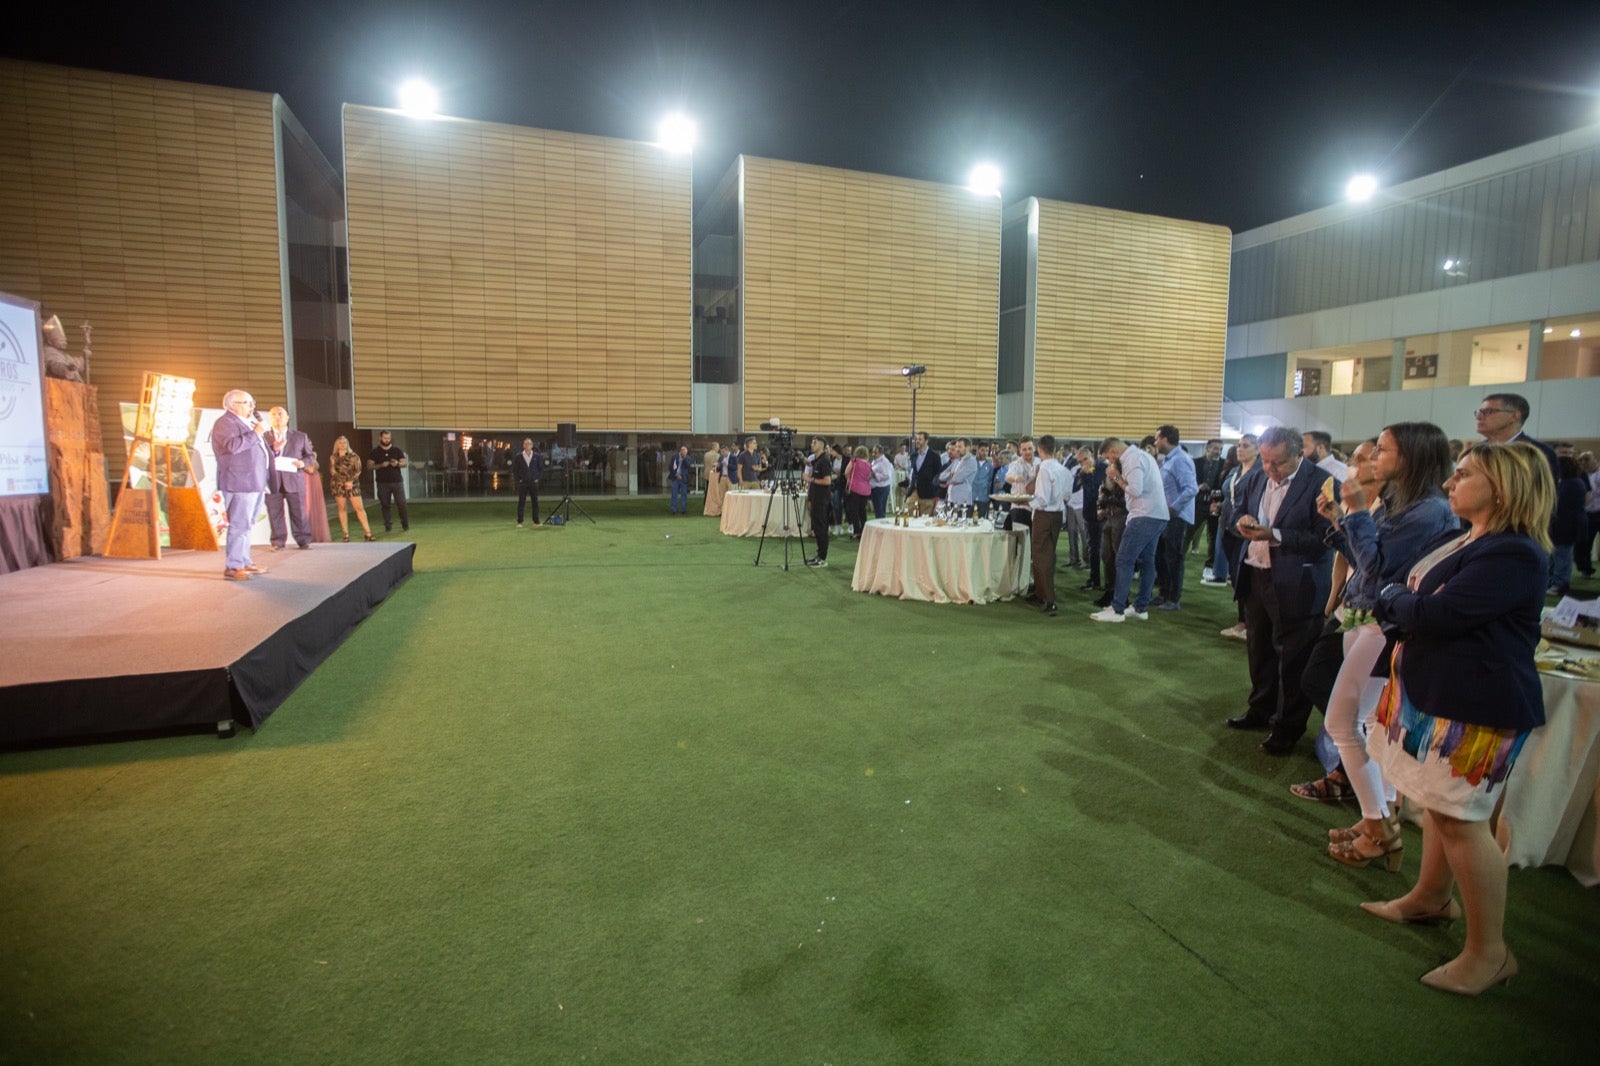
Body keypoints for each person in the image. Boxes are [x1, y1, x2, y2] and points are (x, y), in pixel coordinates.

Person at [1361, 441, 1553, 996]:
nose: (1450, 483)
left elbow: (1437, 612)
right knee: (1442, 812)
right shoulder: (1471, 537)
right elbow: (1408, 592)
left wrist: (1394, 598)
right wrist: (1400, 597)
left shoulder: (1514, 552)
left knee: (1462, 821)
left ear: (1503, 486)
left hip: (1478, 704)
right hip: (1443, 693)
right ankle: (1429, 898)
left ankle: (1489, 952)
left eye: (1464, 474)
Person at [1312, 425, 1459, 852]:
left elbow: (1377, 567)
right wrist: (1341, 521)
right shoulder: (1402, 502)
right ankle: (1380, 815)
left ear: (1409, 457)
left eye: (1382, 449)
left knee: (1342, 721)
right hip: (1367, 615)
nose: (1372, 456)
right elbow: (1364, 558)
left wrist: (1356, 512)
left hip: (1384, 621)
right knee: (1372, 724)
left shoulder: (1429, 511)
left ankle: (1377, 823)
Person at [1223, 426, 1333, 753]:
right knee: (1259, 651)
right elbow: (1236, 512)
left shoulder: (1322, 483)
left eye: (1279, 463)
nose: (1270, 469)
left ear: (1301, 454)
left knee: (1294, 659)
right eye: (1266, 460)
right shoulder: (1257, 477)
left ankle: (1287, 727)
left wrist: (1276, 535)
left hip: (1296, 582)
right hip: (1256, 574)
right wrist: (1241, 520)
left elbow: (1326, 539)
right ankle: (1260, 709)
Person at [1090, 437, 1167, 622]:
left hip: (1143, 515)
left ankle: (1117, 609)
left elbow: (1135, 490)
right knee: (1147, 561)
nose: (1110, 462)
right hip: (1157, 514)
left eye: (1109, 458)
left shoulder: (1131, 459)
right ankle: (1140, 607)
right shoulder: (1144, 455)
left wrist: (1116, 477)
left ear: (1114, 452)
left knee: (1124, 559)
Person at [210, 389, 270, 581]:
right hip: (239, 482)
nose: (252, 406)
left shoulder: (246, 423)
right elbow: (232, 447)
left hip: (254, 481)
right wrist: (256, 433)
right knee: (239, 524)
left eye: (252, 402)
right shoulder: (225, 423)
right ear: (231, 405)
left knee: (247, 525)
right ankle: (234, 566)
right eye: (246, 402)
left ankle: (244, 561)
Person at [1153, 425, 1198, 610]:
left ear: (1165, 439)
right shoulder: (1168, 460)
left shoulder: (1180, 460)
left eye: (1157, 439)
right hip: (1165, 516)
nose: (1155, 443)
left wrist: (1174, 507)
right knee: (1160, 556)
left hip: (1176, 517)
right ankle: (1164, 593)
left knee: (1173, 558)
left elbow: (1191, 489)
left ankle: (1173, 598)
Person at [263, 405, 315, 551]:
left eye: (280, 414)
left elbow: (309, 456)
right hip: (272, 481)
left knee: (299, 512)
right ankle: (278, 542)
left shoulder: (300, 436)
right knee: (274, 513)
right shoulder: (263, 437)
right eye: (273, 415)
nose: (277, 417)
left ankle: (303, 540)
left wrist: (302, 463)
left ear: (287, 417)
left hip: (294, 480)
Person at [1027, 436, 1069, 616]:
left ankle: (1049, 600)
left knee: (1040, 556)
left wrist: (1027, 503)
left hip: (1044, 515)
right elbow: (1067, 494)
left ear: (1039, 449)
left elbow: (1042, 499)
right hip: (1058, 514)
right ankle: (1040, 593)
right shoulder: (1062, 468)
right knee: (1048, 555)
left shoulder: (1044, 469)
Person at [1473, 392, 1558, 476]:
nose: (1479, 417)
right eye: (1479, 412)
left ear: (1514, 416)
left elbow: (1545, 488)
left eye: (1488, 411)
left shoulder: (1538, 452)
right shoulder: (1475, 451)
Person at [1548, 455, 1587, 594]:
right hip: (1561, 527)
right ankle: (1554, 582)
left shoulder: (1572, 484)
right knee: (1556, 556)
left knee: (1562, 557)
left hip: (1566, 527)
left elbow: (1559, 505)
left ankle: (1560, 584)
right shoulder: (1570, 483)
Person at [328, 436, 373, 542]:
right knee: (342, 508)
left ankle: (368, 532)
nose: (342, 444)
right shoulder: (333, 457)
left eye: (344, 442)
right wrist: (343, 481)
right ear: (337, 445)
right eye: (340, 443)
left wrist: (350, 481)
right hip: (338, 484)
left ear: (347, 444)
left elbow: (358, 470)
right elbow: (333, 471)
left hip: (353, 484)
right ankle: (346, 534)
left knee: (359, 508)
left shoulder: (354, 456)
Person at [1074, 447, 1106, 591]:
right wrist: (1081, 473)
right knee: (1093, 548)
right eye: (1080, 461)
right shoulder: (1080, 472)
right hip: (1089, 513)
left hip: (1105, 513)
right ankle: (1095, 579)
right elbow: (1074, 488)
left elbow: (1118, 479)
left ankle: (1112, 583)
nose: (1083, 463)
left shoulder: (1105, 468)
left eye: (1085, 459)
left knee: (1108, 551)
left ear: (1091, 456)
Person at [368, 431, 409, 533]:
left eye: (388, 438)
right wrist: (381, 465)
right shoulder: (375, 452)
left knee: (401, 504)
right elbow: (369, 466)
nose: (386, 440)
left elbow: (404, 463)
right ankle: (388, 525)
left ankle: (405, 524)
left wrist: (397, 464)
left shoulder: (396, 450)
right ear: (380, 438)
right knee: (385, 504)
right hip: (382, 483)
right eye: (385, 438)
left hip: (397, 482)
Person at [804, 437, 833, 567]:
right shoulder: (816, 460)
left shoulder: (825, 461)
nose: (812, 444)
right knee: (816, 528)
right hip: (815, 498)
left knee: (821, 528)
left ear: (821, 445)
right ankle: (819, 555)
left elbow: (827, 481)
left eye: (814, 443)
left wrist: (810, 480)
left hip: (822, 500)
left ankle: (822, 558)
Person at [1002, 437, 1038, 532]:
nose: (1027, 452)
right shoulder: (1016, 464)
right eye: (1024, 449)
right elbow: (1008, 477)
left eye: (1030, 448)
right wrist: (1016, 478)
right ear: (1020, 451)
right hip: (1019, 508)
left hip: (1036, 508)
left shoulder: (1039, 462)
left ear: (1034, 448)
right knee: (1020, 540)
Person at [512, 438, 545, 526]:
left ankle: (536, 521)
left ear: (532, 445)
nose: (527, 446)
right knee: (521, 502)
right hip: (523, 482)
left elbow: (541, 469)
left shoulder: (537, 456)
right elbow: (515, 470)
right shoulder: (518, 456)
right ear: (523, 445)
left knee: (535, 502)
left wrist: (538, 478)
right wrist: (519, 479)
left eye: (529, 444)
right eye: (526, 444)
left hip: (533, 482)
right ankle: (520, 521)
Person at [908, 432, 941, 515]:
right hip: (914, 491)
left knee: (924, 519)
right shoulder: (914, 455)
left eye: (920, 439)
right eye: (916, 439)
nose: (917, 441)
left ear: (926, 441)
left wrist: (933, 486)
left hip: (928, 493)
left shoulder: (934, 456)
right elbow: (913, 472)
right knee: (907, 514)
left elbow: (938, 474)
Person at [939, 437, 976, 509]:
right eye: (956, 447)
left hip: (962, 501)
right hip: (951, 499)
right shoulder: (956, 460)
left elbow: (958, 478)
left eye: (960, 447)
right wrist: (950, 474)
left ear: (968, 448)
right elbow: (941, 476)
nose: (957, 449)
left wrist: (947, 482)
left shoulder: (971, 461)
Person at [869, 445, 893, 519]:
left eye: (875, 452)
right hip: (875, 487)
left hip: (881, 488)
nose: (873, 454)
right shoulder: (875, 460)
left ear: (881, 453)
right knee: (877, 509)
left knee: (880, 510)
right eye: (872, 452)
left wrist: (875, 475)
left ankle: (881, 525)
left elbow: (887, 475)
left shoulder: (884, 462)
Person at [668, 445, 693, 515]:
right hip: (675, 478)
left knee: (684, 494)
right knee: (674, 494)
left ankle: (683, 509)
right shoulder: (675, 457)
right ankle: (673, 509)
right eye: (684, 453)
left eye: (686, 453)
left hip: (683, 478)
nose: (685, 454)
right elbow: (671, 467)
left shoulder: (688, 458)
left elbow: (688, 466)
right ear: (681, 451)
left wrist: (684, 458)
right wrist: (676, 474)